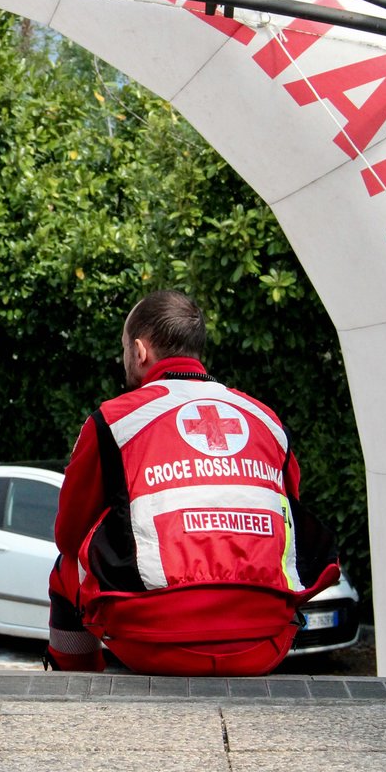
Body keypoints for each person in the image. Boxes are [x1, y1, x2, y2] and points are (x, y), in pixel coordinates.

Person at [47, 290, 340, 676]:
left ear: (139, 351)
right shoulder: (267, 420)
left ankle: (75, 685)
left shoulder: (113, 421)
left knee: (67, 566)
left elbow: (70, 536)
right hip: (264, 641)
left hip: (153, 640)